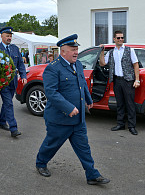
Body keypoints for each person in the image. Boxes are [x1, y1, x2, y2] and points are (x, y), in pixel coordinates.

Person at [36, 34, 110, 186]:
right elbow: (51, 92)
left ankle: (92, 174)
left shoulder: (77, 64)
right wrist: (68, 108)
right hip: (59, 119)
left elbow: (81, 83)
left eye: (77, 49)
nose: (76, 52)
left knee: (84, 148)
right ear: (63, 51)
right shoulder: (52, 68)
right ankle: (41, 163)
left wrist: (89, 100)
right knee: (52, 144)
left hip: (78, 119)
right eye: (73, 49)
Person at [99, 30, 140, 135]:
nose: (121, 39)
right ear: (114, 39)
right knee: (120, 104)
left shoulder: (129, 50)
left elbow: (136, 65)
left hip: (128, 81)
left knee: (130, 104)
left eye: (122, 37)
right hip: (117, 80)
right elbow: (103, 63)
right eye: (118, 38)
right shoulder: (111, 52)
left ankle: (131, 126)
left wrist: (137, 80)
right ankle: (120, 124)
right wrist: (102, 51)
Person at [0, 27, 26, 137]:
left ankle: (2, 122)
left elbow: (20, 64)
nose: (9, 38)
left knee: (7, 103)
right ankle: (13, 128)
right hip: (2, 82)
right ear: (1, 36)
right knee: (9, 103)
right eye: (7, 36)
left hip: (13, 82)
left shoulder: (15, 49)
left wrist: (23, 76)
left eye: (10, 36)